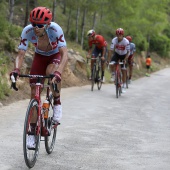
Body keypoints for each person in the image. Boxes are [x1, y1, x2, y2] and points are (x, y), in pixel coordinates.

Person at [10, 7, 68, 149]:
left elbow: (64, 54)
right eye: (33, 24)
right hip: (39, 57)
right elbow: (21, 54)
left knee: (51, 72)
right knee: (33, 91)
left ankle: (57, 102)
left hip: (55, 56)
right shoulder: (27, 31)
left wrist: (59, 71)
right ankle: (31, 133)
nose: (36, 28)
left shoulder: (56, 30)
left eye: (40, 25)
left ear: (47, 24)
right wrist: (16, 69)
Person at [108, 28, 130, 93]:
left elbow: (128, 52)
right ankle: (113, 74)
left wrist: (125, 59)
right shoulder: (114, 40)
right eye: (117, 35)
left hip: (124, 55)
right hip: (117, 54)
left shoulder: (126, 41)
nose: (119, 36)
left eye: (120, 35)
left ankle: (123, 86)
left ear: (123, 35)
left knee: (123, 70)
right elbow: (111, 50)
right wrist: (109, 59)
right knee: (112, 63)